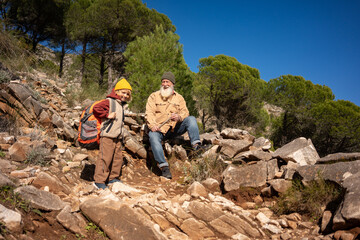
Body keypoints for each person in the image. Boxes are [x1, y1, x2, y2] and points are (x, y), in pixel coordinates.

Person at [145, 71, 205, 179]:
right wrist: (153, 125)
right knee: (153, 136)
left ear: (172, 84)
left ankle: (197, 147)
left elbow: (185, 112)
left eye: (167, 82)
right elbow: (149, 113)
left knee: (191, 119)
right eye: (163, 82)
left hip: (175, 129)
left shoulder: (179, 98)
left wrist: (179, 117)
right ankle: (164, 168)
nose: (165, 84)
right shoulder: (153, 96)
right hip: (160, 130)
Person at [92, 78, 132, 189]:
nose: (125, 95)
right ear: (117, 91)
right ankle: (99, 181)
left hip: (117, 136)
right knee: (105, 157)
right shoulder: (109, 101)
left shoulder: (121, 104)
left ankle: (113, 178)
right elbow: (96, 108)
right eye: (123, 92)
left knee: (117, 158)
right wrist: (107, 115)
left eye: (127, 94)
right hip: (108, 135)